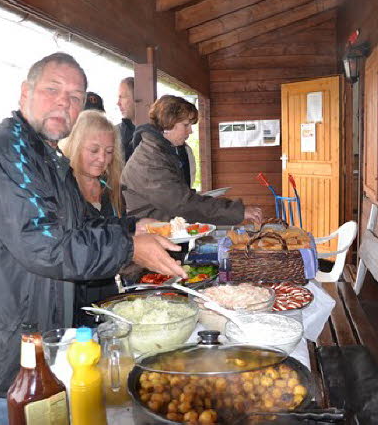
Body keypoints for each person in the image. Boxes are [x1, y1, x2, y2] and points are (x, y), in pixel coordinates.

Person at [0, 52, 185, 424]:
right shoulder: (2, 152)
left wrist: (132, 228)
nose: (63, 103)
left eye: (74, 96)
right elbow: (45, 245)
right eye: (53, 89)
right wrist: (130, 246)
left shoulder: (47, 159)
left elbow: (79, 228)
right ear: (25, 93)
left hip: (12, 345)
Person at [122, 95, 263, 225]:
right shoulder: (149, 160)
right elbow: (182, 204)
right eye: (186, 125)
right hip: (147, 239)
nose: (190, 131)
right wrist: (237, 211)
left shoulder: (161, 152)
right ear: (168, 124)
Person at [59, 110, 124, 326]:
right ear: (75, 145)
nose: (102, 159)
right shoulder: (62, 193)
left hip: (108, 298)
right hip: (72, 304)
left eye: (108, 151)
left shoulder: (110, 190)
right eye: (94, 150)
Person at [116, 77, 136, 161]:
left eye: (122, 97)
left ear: (137, 98)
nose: (118, 103)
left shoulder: (156, 133)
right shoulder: (115, 133)